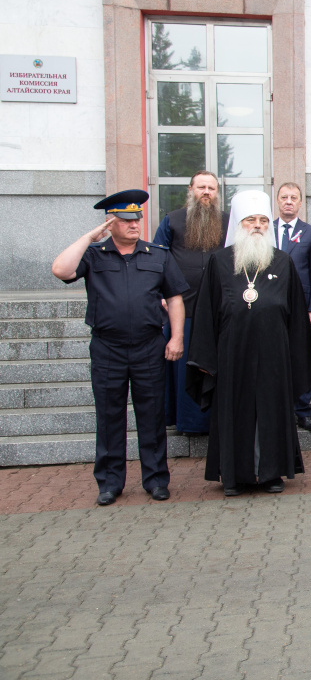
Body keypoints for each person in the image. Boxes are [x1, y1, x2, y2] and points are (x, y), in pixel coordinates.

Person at [52, 190, 186, 506]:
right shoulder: (94, 254)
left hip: (148, 346)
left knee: (152, 416)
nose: (134, 224)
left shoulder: (158, 254)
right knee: (109, 417)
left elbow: (176, 297)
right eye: (126, 220)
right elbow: (61, 269)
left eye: (137, 218)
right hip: (107, 348)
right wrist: (89, 237)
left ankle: (155, 480)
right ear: (110, 222)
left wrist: (176, 337)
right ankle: (110, 483)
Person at [186, 192, 311, 496]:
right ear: (239, 224)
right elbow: (206, 313)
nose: (257, 226)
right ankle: (235, 476)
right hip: (232, 354)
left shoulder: (283, 261)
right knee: (236, 411)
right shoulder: (220, 262)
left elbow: (296, 314)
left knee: (272, 412)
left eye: (262, 220)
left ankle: (272, 473)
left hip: (274, 353)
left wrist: (297, 356)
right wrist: (206, 360)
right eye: (250, 221)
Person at [153, 171, 228, 435]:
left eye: (212, 188)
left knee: (215, 366)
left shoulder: (228, 222)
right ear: (191, 190)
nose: (206, 192)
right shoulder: (172, 221)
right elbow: (156, 260)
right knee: (182, 368)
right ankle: (187, 422)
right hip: (181, 308)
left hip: (220, 310)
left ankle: (216, 421)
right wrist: (159, 293)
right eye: (201, 187)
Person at [274, 182, 311, 432]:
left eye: (293, 197)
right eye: (284, 197)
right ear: (277, 200)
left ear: (301, 202)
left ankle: (302, 411)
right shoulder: (265, 230)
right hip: (270, 308)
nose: (288, 201)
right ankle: (277, 410)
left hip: (300, 308)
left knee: (301, 358)